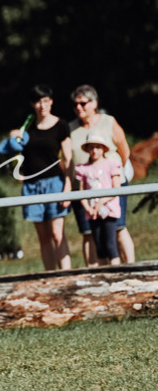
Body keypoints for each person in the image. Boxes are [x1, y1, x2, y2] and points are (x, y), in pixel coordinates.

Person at [68, 85, 135, 266]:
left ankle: (130, 267)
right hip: (84, 187)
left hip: (111, 185)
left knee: (118, 228)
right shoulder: (71, 128)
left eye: (83, 103)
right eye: (75, 105)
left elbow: (124, 149)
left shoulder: (108, 121)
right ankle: (94, 273)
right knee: (89, 233)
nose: (78, 108)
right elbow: (67, 161)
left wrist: (113, 171)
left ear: (94, 103)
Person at [12, 84, 72, 271]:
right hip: (32, 185)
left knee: (57, 233)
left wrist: (68, 186)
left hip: (55, 182)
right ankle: (50, 276)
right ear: (32, 104)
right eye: (38, 101)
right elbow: (16, 154)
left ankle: (67, 275)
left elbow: (68, 158)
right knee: (43, 237)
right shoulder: (27, 129)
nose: (42, 105)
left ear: (51, 102)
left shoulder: (61, 126)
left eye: (45, 101)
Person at [74, 134, 123, 266]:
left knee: (110, 244)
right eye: (91, 148)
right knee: (99, 245)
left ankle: (116, 271)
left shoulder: (111, 165)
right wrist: (88, 208)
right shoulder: (83, 169)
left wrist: (101, 202)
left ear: (103, 149)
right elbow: (82, 191)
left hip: (109, 209)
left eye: (97, 147)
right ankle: (103, 273)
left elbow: (116, 189)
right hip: (92, 212)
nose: (94, 151)